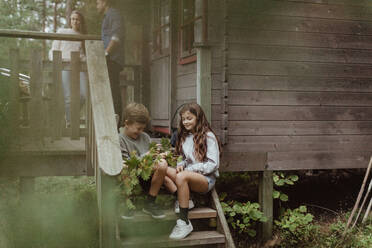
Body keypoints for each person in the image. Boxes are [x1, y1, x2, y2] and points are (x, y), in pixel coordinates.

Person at [165, 103, 221, 240]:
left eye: (189, 118)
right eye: (183, 119)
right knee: (164, 170)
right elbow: (185, 158)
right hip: (188, 176)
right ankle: (186, 198)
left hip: (205, 179)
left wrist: (190, 169)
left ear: (198, 118)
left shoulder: (209, 137)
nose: (185, 122)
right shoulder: (185, 136)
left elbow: (213, 164)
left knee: (182, 177)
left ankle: (184, 222)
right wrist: (181, 165)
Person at [119, 103, 167, 219]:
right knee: (124, 167)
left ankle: (150, 202)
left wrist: (159, 154)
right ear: (127, 123)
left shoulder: (145, 137)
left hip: (147, 175)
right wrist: (146, 156)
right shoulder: (120, 139)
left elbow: (150, 158)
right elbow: (127, 163)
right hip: (130, 176)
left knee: (163, 164)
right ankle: (128, 203)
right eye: (138, 128)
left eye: (143, 128)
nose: (140, 131)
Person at [49, 10, 88, 127]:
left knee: (84, 94)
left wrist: (88, 59)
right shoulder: (62, 32)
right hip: (64, 66)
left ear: (81, 22)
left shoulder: (82, 36)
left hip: (78, 67)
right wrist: (54, 60)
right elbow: (54, 49)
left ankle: (72, 113)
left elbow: (81, 54)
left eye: (77, 19)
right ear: (70, 20)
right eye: (73, 19)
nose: (75, 21)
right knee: (68, 96)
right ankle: (70, 121)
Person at [96, 0, 125, 126]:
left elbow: (116, 36)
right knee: (109, 91)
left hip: (112, 59)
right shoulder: (107, 16)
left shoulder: (114, 14)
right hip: (109, 59)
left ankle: (116, 124)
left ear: (104, 2)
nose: (97, 6)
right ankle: (110, 122)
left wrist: (106, 53)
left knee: (113, 91)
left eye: (98, 3)